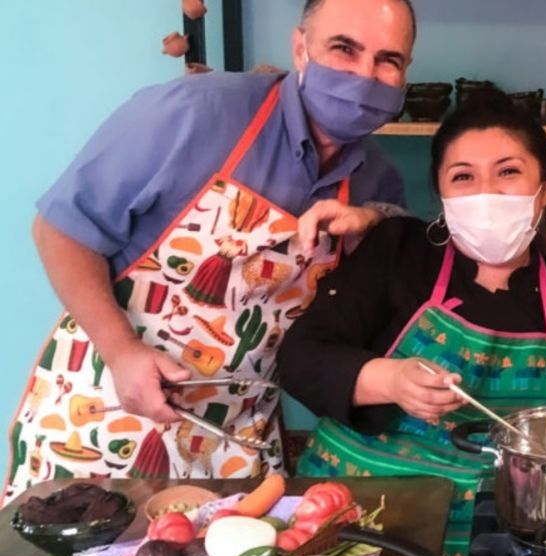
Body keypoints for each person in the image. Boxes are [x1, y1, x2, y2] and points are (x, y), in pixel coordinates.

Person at [3, 0, 415, 503]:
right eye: (344, 49)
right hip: (107, 412)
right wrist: (122, 352)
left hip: (235, 438)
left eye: (388, 60)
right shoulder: (193, 113)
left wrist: (376, 219)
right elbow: (61, 230)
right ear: (301, 48)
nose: (364, 75)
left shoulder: (377, 183)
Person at [277, 88, 546, 483]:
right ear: (441, 194)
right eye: (463, 176)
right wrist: (391, 380)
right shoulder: (399, 249)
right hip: (358, 491)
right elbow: (300, 357)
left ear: (545, 191)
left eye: (508, 172)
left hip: (499, 506)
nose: (486, 192)